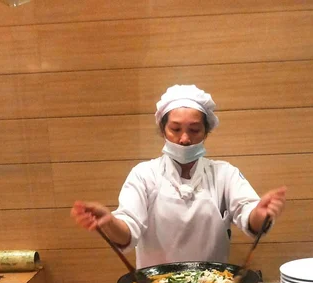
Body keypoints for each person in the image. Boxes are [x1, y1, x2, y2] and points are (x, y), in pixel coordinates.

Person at [71, 84, 287, 269]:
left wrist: (261, 213)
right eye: (175, 129)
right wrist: (109, 222)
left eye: (194, 130)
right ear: (163, 130)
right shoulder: (144, 174)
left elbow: (250, 216)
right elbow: (127, 233)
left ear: (206, 132)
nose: (184, 139)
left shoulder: (224, 173)